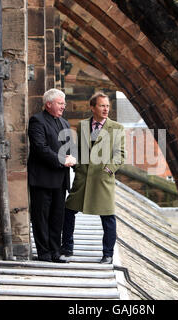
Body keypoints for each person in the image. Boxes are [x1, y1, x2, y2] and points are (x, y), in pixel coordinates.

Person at [61, 92, 126, 264]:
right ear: (92, 107)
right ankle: (67, 248)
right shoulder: (83, 125)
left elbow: (120, 154)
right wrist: (76, 166)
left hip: (103, 179)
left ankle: (107, 254)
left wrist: (109, 169)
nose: (106, 109)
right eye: (102, 106)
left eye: (107, 106)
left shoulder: (117, 128)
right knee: (69, 211)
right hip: (83, 178)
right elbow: (79, 151)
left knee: (108, 217)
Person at [27, 88, 76, 263]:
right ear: (49, 104)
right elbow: (40, 148)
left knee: (57, 217)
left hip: (60, 179)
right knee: (41, 217)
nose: (63, 106)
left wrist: (72, 157)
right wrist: (63, 159)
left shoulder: (65, 123)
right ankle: (44, 253)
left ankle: (56, 251)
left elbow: (68, 148)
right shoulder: (36, 121)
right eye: (60, 103)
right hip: (42, 178)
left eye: (64, 103)